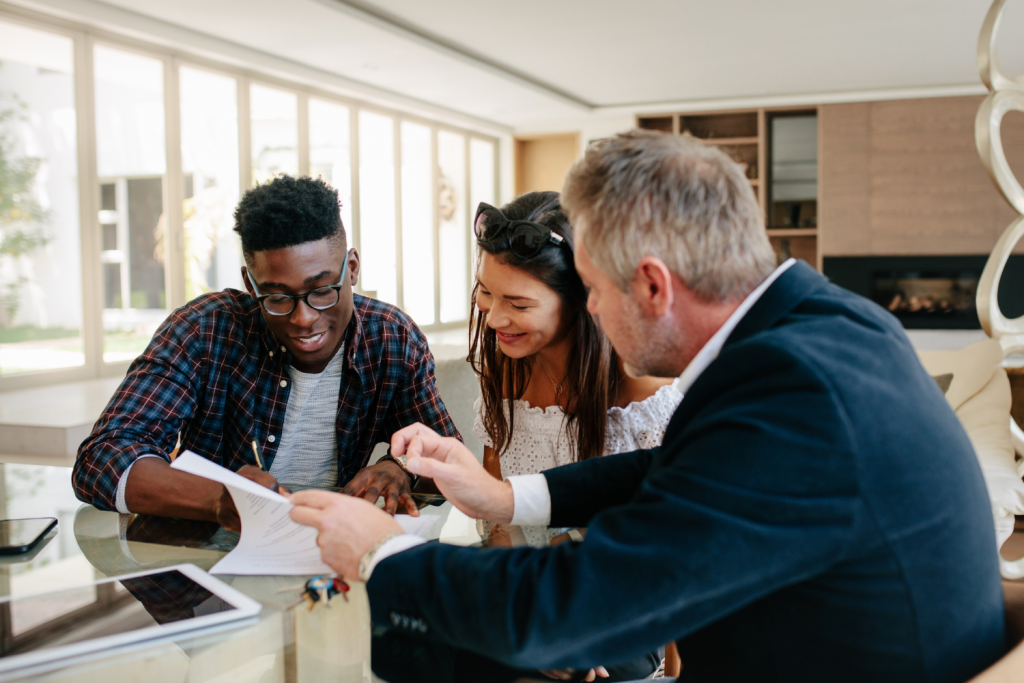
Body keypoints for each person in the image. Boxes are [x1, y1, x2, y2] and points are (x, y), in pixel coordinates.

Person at [289, 132, 1005, 683]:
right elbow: (684, 467)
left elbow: (567, 610)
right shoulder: (826, 323)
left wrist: (380, 554)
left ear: (654, 285)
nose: (592, 312)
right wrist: (505, 496)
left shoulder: (796, 395)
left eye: (594, 290)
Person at [74, 175, 459, 530]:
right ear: (250, 283)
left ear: (352, 269)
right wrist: (218, 500)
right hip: (209, 559)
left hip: (331, 552)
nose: (305, 319)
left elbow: (448, 458)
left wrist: (400, 467)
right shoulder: (204, 329)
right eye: (276, 297)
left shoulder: (391, 338)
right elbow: (102, 458)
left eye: (323, 289)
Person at [471, 191, 680, 549]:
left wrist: (576, 543)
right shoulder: (508, 371)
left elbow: (669, 521)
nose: (493, 319)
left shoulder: (642, 388)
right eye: (486, 291)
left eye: (519, 304)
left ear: (581, 301)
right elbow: (497, 515)